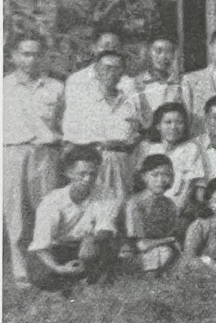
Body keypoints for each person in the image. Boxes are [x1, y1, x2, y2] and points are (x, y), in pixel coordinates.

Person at [4, 33, 64, 288]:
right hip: (12, 153)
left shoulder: (56, 87)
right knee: (16, 215)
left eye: (37, 54)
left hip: (46, 153)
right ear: (13, 56)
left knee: (46, 211)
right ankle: (21, 272)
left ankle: (48, 269)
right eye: (26, 54)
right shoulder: (3, 87)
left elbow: (63, 123)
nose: (32, 59)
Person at [26, 146, 120, 290]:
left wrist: (91, 239)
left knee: (109, 246)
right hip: (57, 249)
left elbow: (106, 227)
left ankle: (86, 279)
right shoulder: (52, 201)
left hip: (87, 246)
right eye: (82, 174)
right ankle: (71, 279)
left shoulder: (105, 194)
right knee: (39, 272)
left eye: (92, 174)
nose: (88, 179)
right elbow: (41, 245)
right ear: (68, 173)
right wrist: (59, 268)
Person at [62, 49, 144, 201]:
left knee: (121, 204)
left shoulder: (129, 101)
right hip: (93, 161)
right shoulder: (83, 101)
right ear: (97, 71)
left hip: (122, 162)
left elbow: (138, 131)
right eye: (107, 68)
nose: (111, 73)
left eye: (117, 69)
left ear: (122, 73)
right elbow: (71, 136)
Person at [132, 102, 204, 215]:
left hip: (175, 207)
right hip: (146, 207)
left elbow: (188, 187)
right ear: (158, 125)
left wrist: (176, 210)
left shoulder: (191, 149)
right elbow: (137, 182)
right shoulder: (147, 148)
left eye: (179, 122)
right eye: (168, 122)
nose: (173, 127)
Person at [122, 154, 181, 275]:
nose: (161, 180)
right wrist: (170, 240)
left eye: (166, 175)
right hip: (132, 252)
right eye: (155, 175)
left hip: (159, 249)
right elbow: (141, 245)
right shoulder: (135, 204)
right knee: (162, 252)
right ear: (144, 177)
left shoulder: (170, 205)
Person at [63, 24, 135, 118]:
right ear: (93, 48)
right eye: (106, 45)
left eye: (115, 47)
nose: (110, 50)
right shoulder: (77, 80)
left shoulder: (128, 83)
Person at [133, 33, 184, 129]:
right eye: (158, 51)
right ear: (149, 53)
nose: (163, 57)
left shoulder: (181, 83)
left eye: (168, 52)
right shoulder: (138, 83)